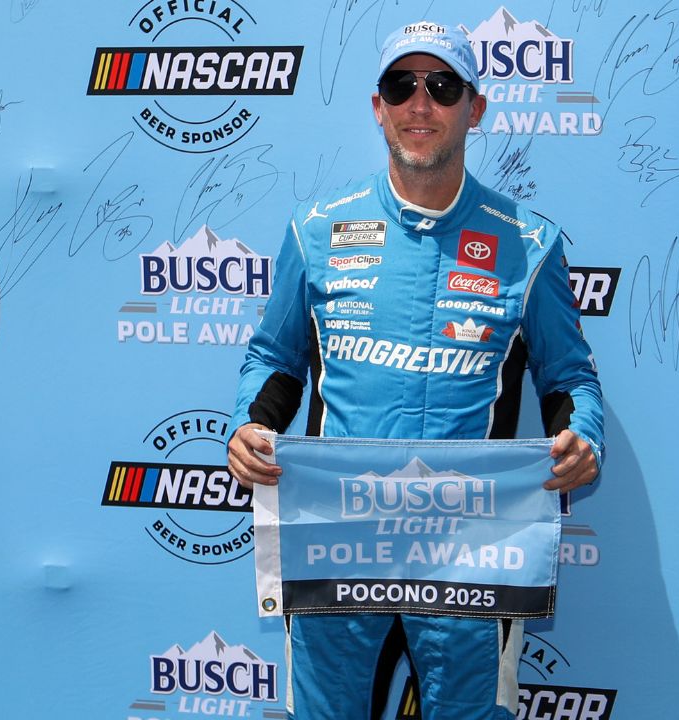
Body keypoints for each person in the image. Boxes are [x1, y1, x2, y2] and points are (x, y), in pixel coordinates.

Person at [227, 20, 604, 720]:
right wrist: (249, 424)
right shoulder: (318, 227)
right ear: (379, 107)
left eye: (442, 86)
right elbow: (274, 360)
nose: (420, 105)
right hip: (336, 540)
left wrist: (583, 437)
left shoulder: (529, 241)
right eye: (402, 86)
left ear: (475, 108)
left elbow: (570, 381)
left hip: (472, 553)